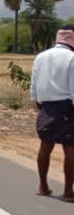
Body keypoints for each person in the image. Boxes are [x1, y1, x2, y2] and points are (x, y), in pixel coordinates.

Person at [30, 27, 74, 202]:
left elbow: (34, 84)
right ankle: (68, 192)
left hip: (46, 106)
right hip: (66, 107)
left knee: (45, 146)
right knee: (70, 148)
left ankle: (43, 186)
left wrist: (38, 103)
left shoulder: (41, 57)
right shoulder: (72, 58)